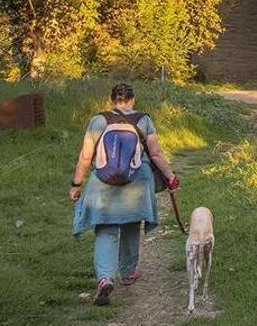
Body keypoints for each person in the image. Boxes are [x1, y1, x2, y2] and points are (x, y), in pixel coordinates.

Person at [68, 83, 179, 306]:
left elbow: (85, 156)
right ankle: (128, 272)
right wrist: (170, 176)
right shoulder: (143, 120)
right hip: (137, 181)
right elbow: (155, 153)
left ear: (111, 100)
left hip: (103, 182)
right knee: (130, 225)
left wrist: (76, 184)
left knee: (105, 229)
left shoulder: (98, 121)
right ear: (133, 99)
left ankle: (105, 278)